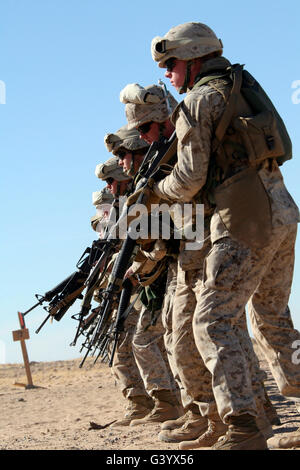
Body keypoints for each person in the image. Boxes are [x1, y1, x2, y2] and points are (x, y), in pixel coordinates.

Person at [149, 21, 300, 450]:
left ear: (192, 59)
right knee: (272, 318)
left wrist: (157, 191)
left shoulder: (199, 101)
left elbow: (190, 178)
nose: (167, 74)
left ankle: (244, 427)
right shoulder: (241, 85)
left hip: (243, 221)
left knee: (214, 319)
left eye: (170, 63)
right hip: (282, 212)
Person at [101, 134, 181, 425]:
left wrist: (140, 265)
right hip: (158, 277)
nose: (110, 188)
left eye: (111, 180)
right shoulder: (136, 197)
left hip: (169, 273)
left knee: (157, 340)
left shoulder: (150, 189)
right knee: (163, 341)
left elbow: (168, 234)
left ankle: (172, 404)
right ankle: (172, 405)